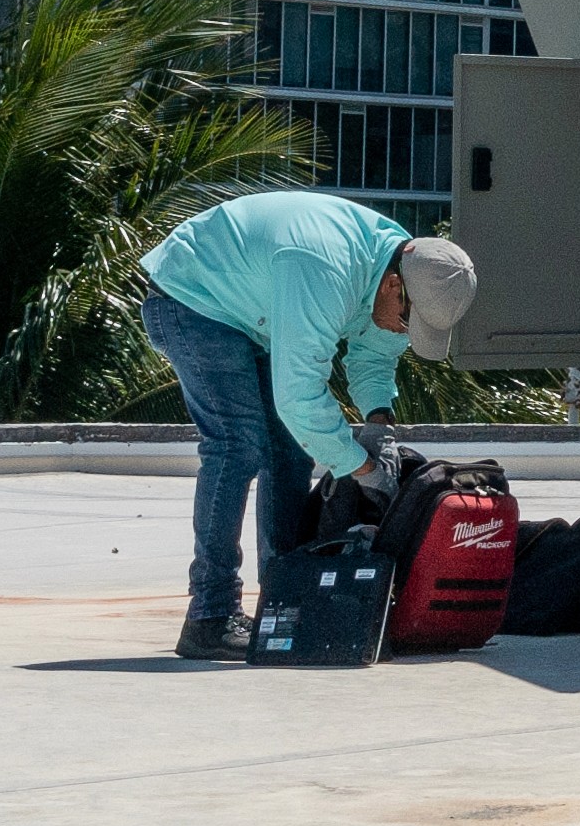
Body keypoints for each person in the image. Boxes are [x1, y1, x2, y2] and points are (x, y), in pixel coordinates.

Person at [139, 189, 480, 659]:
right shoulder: (325, 270)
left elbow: (374, 358)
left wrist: (378, 427)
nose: (404, 331)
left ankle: (283, 594)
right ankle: (209, 616)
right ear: (393, 287)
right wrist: (360, 468)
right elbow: (299, 397)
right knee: (236, 446)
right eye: (408, 322)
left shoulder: (411, 267)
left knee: (291, 452)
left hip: (253, 309)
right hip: (193, 296)